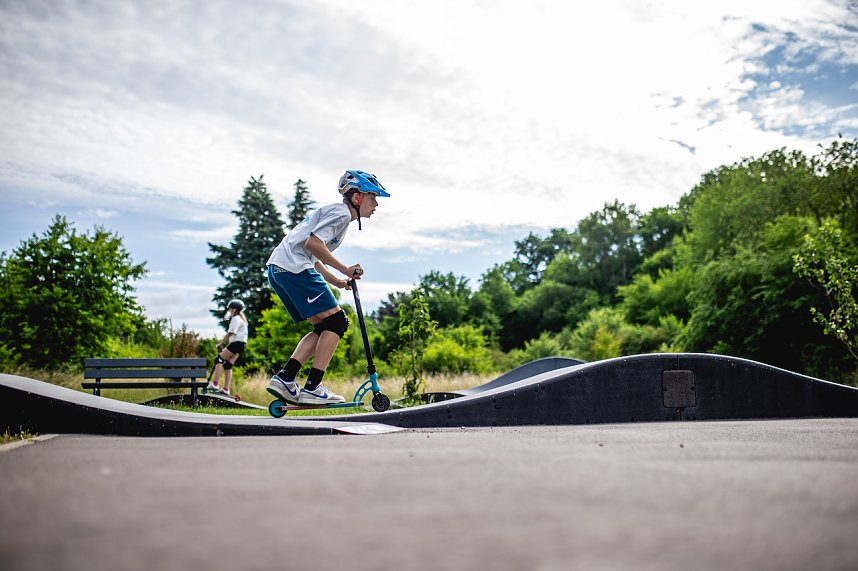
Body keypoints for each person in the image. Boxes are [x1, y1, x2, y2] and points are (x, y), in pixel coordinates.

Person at [266, 170, 390, 405]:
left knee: (325, 326)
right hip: (292, 268)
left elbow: (313, 254)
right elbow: (313, 243)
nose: (376, 204)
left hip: (282, 268)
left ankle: (286, 378)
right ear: (357, 198)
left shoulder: (339, 216)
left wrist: (337, 281)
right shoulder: (341, 214)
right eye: (373, 197)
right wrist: (345, 269)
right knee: (337, 322)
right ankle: (312, 387)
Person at [207, 299, 249, 396]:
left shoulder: (236, 319)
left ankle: (215, 384)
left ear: (234, 309)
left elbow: (230, 333)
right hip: (242, 345)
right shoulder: (242, 320)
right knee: (228, 365)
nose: (229, 311)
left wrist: (220, 344)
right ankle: (226, 389)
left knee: (218, 359)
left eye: (230, 309)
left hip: (236, 343)